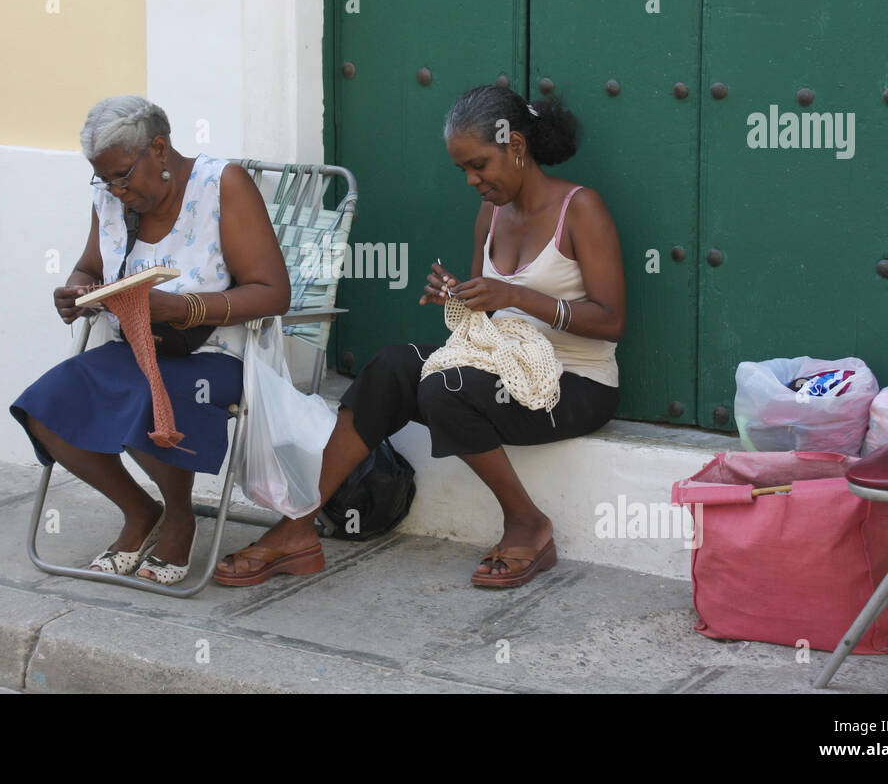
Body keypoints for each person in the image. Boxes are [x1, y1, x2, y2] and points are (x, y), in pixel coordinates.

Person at [214, 84, 625, 588]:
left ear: (516, 146)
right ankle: (298, 525)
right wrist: (460, 296)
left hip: (576, 384)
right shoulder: (491, 214)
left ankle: (527, 523)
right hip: (503, 369)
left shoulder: (581, 209)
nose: (472, 180)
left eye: (479, 165)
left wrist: (514, 297)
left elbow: (610, 321)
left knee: (444, 386)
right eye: (463, 170)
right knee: (391, 365)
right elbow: (484, 322)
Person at [11, 96, 290, 584]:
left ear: (159, 149)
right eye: (105, 180)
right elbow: (91, 267)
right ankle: (140, 510)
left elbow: (273, 293)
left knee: (145, 396)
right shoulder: (112, 198)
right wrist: (77, 292)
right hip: (135, 348)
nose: (116, 190)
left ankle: (180, 516)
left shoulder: (222, 186)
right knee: (44, 408)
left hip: (215, 356)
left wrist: (184, 309)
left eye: (122, 176)